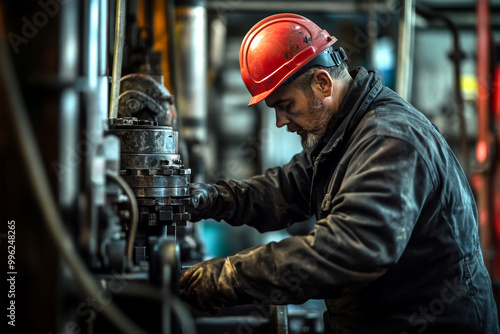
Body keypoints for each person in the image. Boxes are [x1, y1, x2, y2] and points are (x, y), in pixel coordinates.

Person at [179, 13, 499, 333]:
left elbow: (351, 249)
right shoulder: (343, 134)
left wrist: (232, 276)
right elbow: (284, 189)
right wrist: (210, 198)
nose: (280, 121)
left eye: (286, 105)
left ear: (322, 83)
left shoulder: (388, 140)